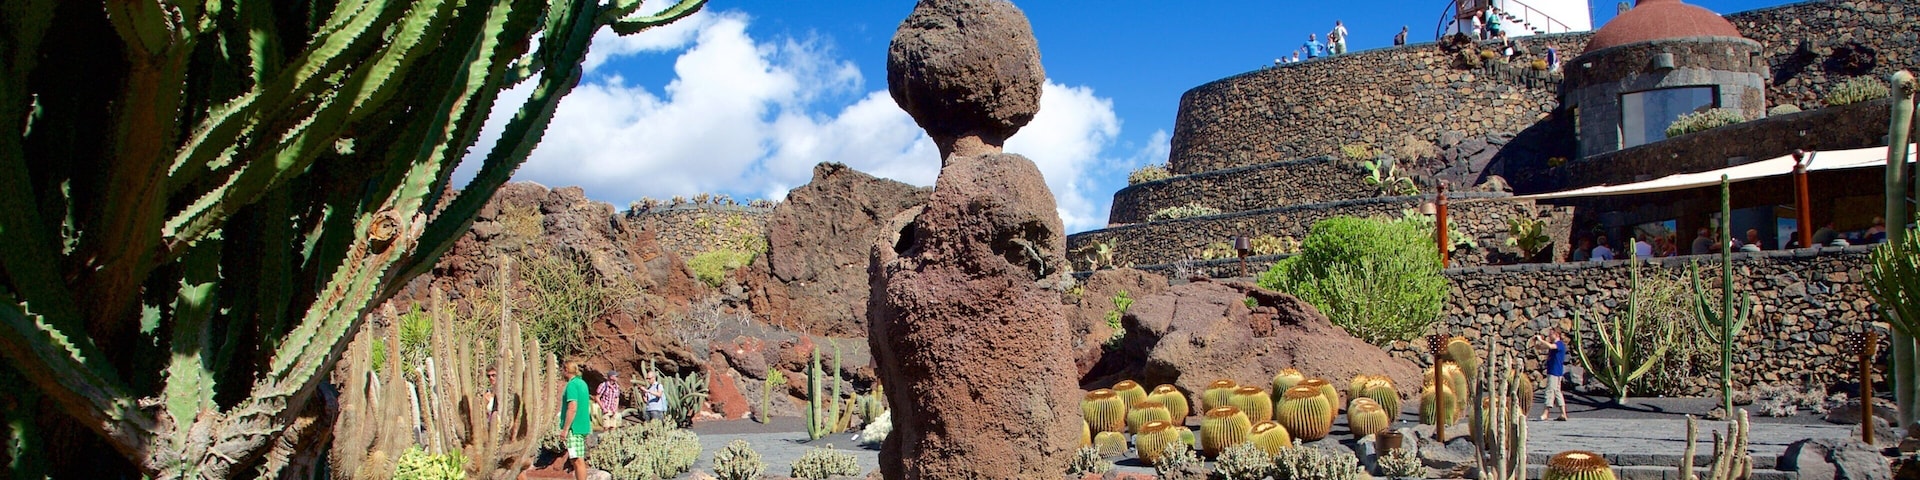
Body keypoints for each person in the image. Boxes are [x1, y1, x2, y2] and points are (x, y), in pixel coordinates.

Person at [560, 363, 593, 480]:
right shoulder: (582, 383)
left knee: (577, 460)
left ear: (566, 370)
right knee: (577, 459)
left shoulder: (572, 385)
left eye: (562, 370)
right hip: (582, 426)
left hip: (575, 428)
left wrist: (565, 429)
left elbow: (572, 407)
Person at [1532, 328, 1570, 421]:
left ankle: (1545, 413)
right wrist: (1536, 342)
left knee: (1550, 391)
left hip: (1555, 372)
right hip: (1553, 371)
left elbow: (1550, 346)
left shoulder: (1559, 344)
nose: (1549, 336)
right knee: (1557, 392)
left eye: (1551, 334)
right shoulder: (1554, 345)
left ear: (1557, 334)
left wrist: (1541, 340)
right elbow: (1540, 348)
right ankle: (1563, 413)